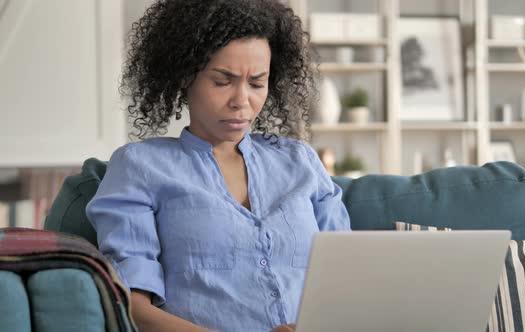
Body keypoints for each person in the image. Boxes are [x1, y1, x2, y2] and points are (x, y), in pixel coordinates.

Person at [85, 0, 351, 331]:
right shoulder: (140, 167)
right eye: (222, 81)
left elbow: (348, 281)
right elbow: (134, 309)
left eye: (257, 83)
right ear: (185, 78)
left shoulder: (301, 163)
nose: (242, 100)